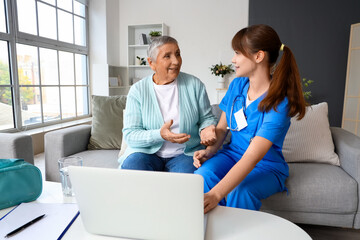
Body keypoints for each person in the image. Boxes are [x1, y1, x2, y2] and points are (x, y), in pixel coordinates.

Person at [193, 24, 307, 213]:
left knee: (241, 190)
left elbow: (253, 157)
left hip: (266, 165)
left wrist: (215, 195)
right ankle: (210, 229)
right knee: (202, 175)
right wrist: (210, 151)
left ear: (258, 56)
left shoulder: (279, 103)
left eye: (238, 53)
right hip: (232, 155)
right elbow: (221, 129)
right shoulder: (237, 85)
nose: (233, 59)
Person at [119, 36, 217, 173]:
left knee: (187, 179)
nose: (176, 61)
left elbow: (207, 118)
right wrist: (160, 135)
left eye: (177, 54)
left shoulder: (195, 84)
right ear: (151, 63)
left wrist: (207, 128)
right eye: (167, 56)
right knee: (132, 167)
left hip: (184, 154)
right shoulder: (138, 90)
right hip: (146, 153)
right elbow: (131, 135)